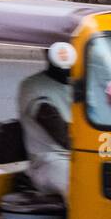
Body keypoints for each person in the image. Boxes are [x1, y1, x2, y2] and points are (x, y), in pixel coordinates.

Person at [17, 44, 74, 199]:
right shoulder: (33, 87)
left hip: (82, 156)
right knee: (81, 184)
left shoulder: (82, 84)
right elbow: (63, 136)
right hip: (50, 162)